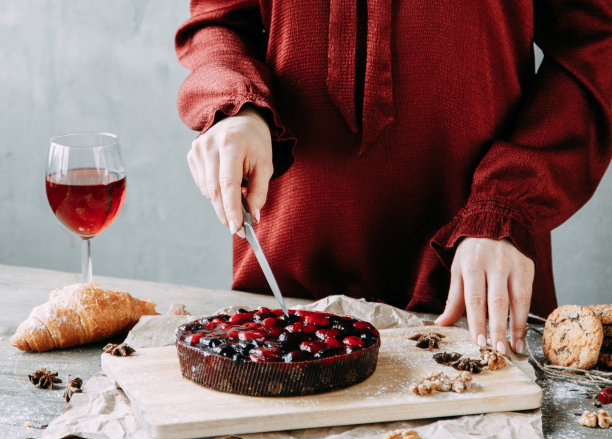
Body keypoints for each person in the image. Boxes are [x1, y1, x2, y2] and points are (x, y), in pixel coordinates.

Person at [175, 1, 612, 355]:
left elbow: (597, 44)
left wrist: (506, 204)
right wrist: (237, 105)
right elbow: (221, 19)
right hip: (284, 296)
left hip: (480, 277)